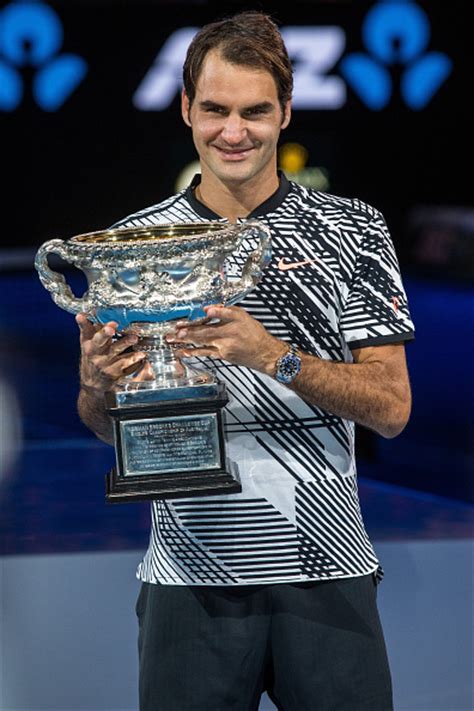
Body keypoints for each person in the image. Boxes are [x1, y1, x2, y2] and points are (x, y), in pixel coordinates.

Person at [76, 11, 414, 711]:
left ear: (287, 112)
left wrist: (273, 356)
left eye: (255, 110)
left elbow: (392, 407)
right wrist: (96, 387)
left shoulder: (353, 227)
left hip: (328, 569)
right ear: (186, 109)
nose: (234, 131)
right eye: (216, 109)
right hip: (187, 577)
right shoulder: (133, 244)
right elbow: (108, 427)